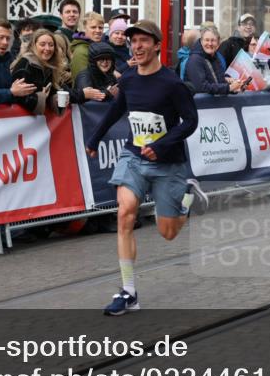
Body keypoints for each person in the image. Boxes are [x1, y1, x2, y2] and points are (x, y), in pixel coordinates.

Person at [84, 20, 206, 316]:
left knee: (168, 233)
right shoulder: (127, 79)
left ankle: (187, 198)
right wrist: (95, 138)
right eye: (133, 42)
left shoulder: (173, 84)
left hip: (168, 163)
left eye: (142, 41)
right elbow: (116, 110)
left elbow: (191, 121)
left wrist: (163, 144)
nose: (136, 47)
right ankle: (128, 292)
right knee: (125, 213)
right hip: (134, 156)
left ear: (155, 45)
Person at [9, 27, 69, 113]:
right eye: (42, 44)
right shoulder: (26, 64)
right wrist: (41, 97)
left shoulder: (50, 66)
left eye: (51, 45)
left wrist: (56, 100)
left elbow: (51, 91)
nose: (47, 48)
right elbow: (20, 97)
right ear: (34, 46)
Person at [184, 26, 243, 95]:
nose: (210, 43)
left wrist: (234, 85)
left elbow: (219, 83)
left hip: (215, 104)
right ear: (201, 41)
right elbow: (201, 88)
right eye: (207, 40)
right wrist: (229, 88)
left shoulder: (215, 57)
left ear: (218, 43)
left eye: (213, 40)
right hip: (200, 105)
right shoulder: (195, 60)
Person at [70, 11, 105, 75]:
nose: (98, 31)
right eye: (93, 27)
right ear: (84, 28)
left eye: (100, 28)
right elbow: (82, 80)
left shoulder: (98, 47)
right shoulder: (81, 51)